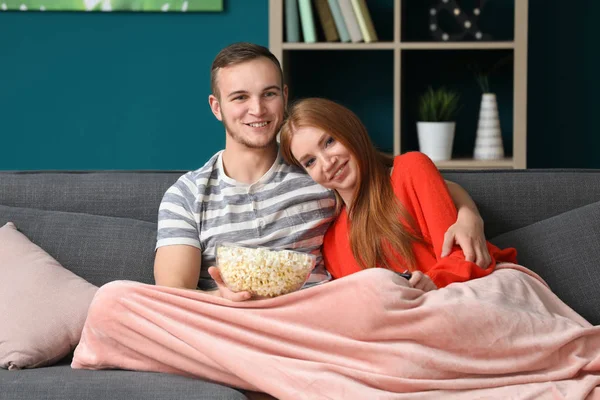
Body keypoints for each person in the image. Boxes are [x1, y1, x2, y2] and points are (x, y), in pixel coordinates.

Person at [153, 42, 492, 301]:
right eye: (240, 97)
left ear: (284, 97)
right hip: (227, 323)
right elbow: (172, 297)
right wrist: (222, 299)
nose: (256, 109)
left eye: (268, 94)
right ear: (217, 107)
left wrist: (467, 213)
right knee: (118, 299)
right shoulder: (186, 195)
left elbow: (401, 182)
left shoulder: (317, 175)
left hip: (315, 322)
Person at [279, 97, 517, 289]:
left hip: (455, 299)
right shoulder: (331, 242)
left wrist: (431, 283)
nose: (327, 162)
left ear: (351, 130)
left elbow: (460, 256)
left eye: (329, 142)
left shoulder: (410, 170)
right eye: (310, 162)